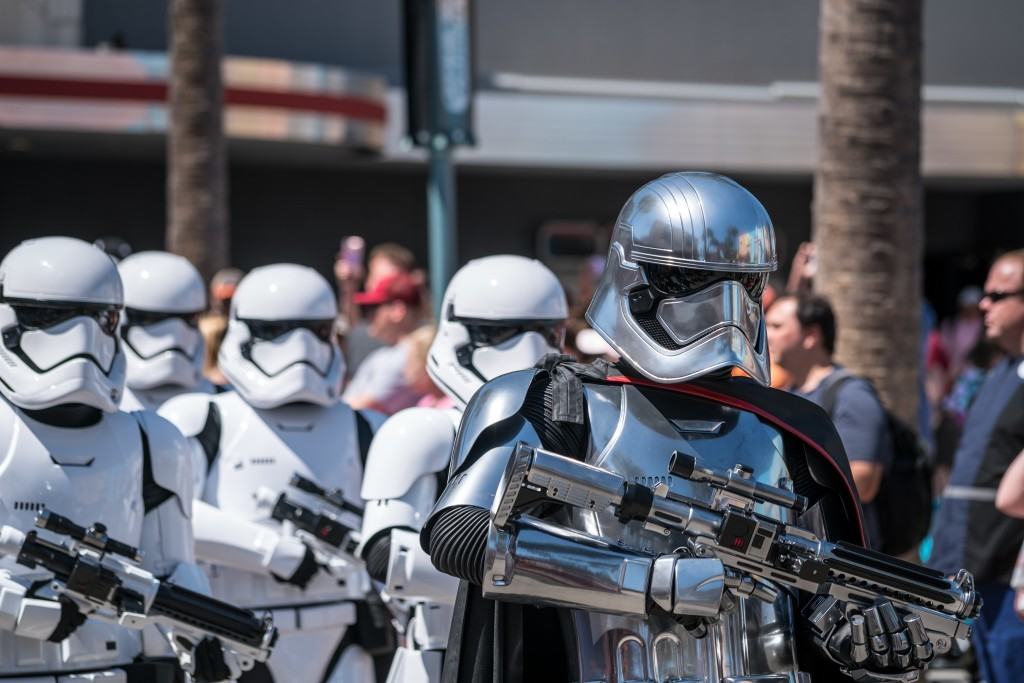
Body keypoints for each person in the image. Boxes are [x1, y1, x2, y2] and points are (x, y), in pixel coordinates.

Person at [420, 172, 940, 683]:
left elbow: (815, 601)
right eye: (690, 280)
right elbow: (458, 534)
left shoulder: (791, 429)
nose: (726, 304)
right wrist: (650, 580)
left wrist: (865, 643)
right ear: (638, 281)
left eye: (747, 282)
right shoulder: (555, 402)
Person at [0, 236, 233, 681]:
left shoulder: (152, 439)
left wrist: (201, 635)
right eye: (52, 319)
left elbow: (172, 568)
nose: (80, 341)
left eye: (100, 319)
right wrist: (19, 609)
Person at [159, 264, 390, 683]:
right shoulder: (203, 417)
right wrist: (272, 551)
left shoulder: (365, 426)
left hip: (344, 628)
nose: (298, 348)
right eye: (276, 330)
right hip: (237, 630)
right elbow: (165, 521)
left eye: (315, 331)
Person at [358, 254, 568, 683]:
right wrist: (546, 577)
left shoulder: (571, 430)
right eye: (502, 334)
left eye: (547, 332)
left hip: (544, 650)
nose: (530, 350)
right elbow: (385, 555)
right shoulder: (423, 429)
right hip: (439, 652)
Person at [930, 249, 1024, 683]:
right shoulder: (1001, 371)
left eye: (997, 295)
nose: (983, 304)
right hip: (978, 576)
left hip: (1012, 583)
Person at [765, 292, 892, 549]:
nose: (766, 334)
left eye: (776, 326)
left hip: (842, 557)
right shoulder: (790, 393)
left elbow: (864, 482)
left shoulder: (853, 395)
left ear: (811, 336)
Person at [118, 251, 216, 411]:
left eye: (189, 319)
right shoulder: (94, 407)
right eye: (150, 319)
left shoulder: (223, 404)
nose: (174, 336)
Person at [343, 272, 426, 414]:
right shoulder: (390, 353)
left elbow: (360, 408)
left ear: (397, 311)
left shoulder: (410, 354)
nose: (368, 316)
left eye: (373, 309)